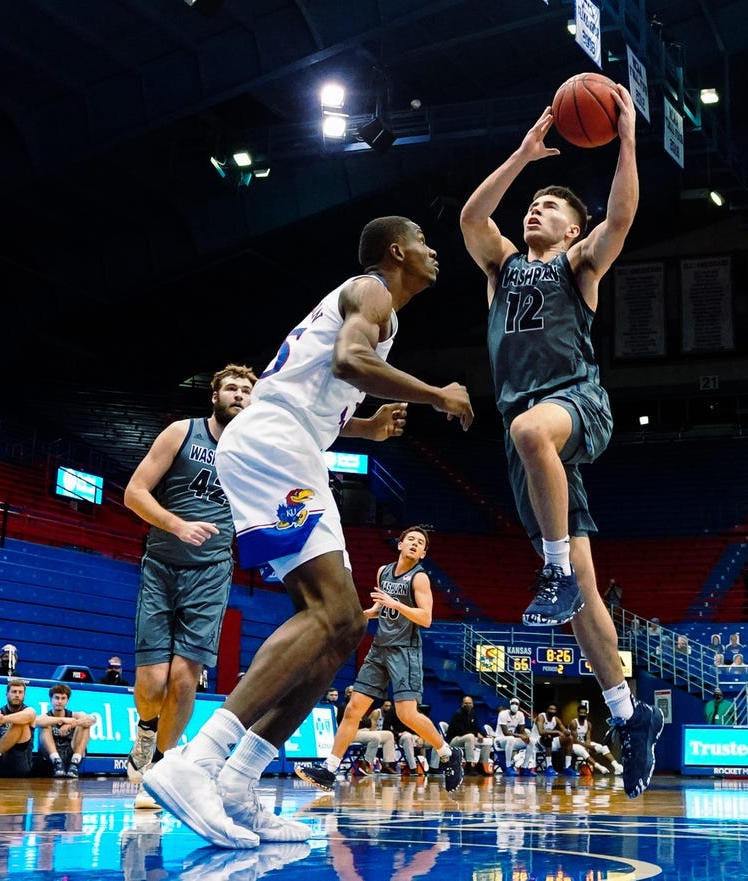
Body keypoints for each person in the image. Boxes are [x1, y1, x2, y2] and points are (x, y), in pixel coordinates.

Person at [141, 216, 473, 848]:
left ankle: (240, 781)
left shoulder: (378, 313)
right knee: (331, 613)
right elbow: (349, 360)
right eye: (425, 243)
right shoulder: (371, 290)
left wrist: (365, 429)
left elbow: (307, 388)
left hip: (290, 443)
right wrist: (439, 395)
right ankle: (196, 764)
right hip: (275, 447)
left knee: (343, 627)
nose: (435, 253)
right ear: (397, 252)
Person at [459, 87, 662, 800]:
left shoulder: (578, 267)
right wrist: (522, 154)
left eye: (551, 206)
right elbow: (471, 216)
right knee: (582, 603)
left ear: (575, 225)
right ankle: (631, 715)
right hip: (532, 443)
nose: (535, 210)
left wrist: (629, 139)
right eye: (534, 205)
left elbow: (624, 216)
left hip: (577, 402)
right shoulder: (502, 267)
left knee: (526, 429)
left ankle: (552, 570)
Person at [122, 363, 257, 806]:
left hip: (212, 570)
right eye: (232, 388)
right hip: (161, 564)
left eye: (248, 390)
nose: (240, 394)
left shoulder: (255, 452)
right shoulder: (183, 432)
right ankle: (145, 730)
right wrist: (177, 525)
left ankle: (160, 765)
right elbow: (135, 492)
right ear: (214, 396)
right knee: (152, 683)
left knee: (184, 679)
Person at [295, 525, 462, 791]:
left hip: (404, 651)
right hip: (379, 649)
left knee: (406, 714)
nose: (415, 544)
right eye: (410, 539)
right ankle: (329, 769)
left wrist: (396, 604)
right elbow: (378, 609)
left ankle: (448, 754)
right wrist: (355, 617)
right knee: (353, 709)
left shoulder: (419, 579)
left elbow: (426, 618)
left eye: (420, 543)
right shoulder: (383, 571)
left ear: (422, 554)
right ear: (400, 544)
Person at [34, 684, 95, 777]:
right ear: (51, 699)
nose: (59, 701)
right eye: (57, 698)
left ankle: (74, 764)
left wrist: (73, 724)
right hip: (51, 757)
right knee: (44, 725)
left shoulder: (75, 715)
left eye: (63, 698)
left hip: (70, 753)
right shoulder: (46, 716)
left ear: (67, 701)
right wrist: (62, 720)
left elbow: (92, 719)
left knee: (85, 725)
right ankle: (57, 763)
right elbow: (37, 721)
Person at [444, 695, 493, 777]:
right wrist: (476, 734)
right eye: (466, 703)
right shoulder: (458, 714)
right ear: (462, 704)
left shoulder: (472, 714)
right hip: (455, 740)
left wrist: (484, 735)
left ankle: (480, 765)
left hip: (467, 739)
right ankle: (469, 765)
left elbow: (476, 727)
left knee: (487, 741)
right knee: (470, 736)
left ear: (473, 704)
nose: (468, 705)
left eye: (470, 703)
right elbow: (461, 731)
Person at [494, 698, 537, 776]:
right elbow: (506, 732)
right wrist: (520, 736)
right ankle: (508, 767)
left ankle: (524, 768)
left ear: (519, 706)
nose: (514, 705)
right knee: (511, 738)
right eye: (513, 703)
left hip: (511, 741)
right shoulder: (503, 714)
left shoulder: (520, 715)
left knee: (532, 741)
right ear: (510, 705)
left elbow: (522, 731)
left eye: (516, 704)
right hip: (499, 741)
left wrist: (526, 737)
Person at [534, 703, 575, 777]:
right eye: (551, 709)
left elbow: (564, 730)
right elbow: (541, 732)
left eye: (554, 709)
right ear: (547, 710)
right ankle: (549, 767)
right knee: (548, 737)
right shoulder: (541, 717)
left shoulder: (556, 719)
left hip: (549, 743)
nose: (552, 711)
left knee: (570, 738)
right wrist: (557, 731)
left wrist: (567, 732)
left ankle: (567, 767)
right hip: (536, 742)